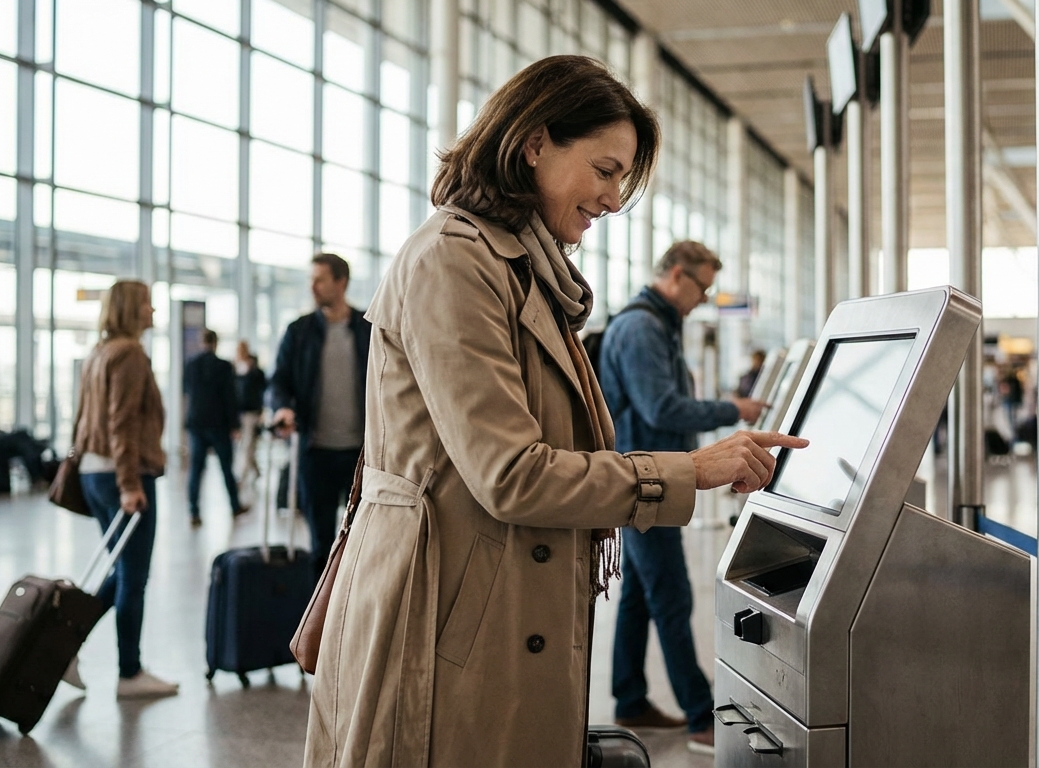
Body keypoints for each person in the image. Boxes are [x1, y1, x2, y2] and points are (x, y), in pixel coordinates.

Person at [302, 55, 806, 767]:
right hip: (444, 630)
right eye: (604, 171)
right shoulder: (454, 258)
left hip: (484, 613)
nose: (611, 199)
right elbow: (510, 472)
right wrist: (690, 470)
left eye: (621, 180)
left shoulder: (524, 270)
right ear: (534, 143)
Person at [598, 240, 766, 753]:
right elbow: (662, 408)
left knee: (641, 597)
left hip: (651, 479)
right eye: (702, 288)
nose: (702, 299)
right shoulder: (642, 328)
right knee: (671, 596)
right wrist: (731, 410)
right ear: (676, 276)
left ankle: (630, 699)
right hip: (647, 484)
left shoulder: (655, 326)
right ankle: (701, 717)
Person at [71, 280, 178, 698]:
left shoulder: (99, 352)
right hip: (122, 475)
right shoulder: (130, 353)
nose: (152, 311)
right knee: (134, 577)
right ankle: (129, 673)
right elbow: (123, 422)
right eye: (147, 304)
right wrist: (130, 484)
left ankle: (67, 644)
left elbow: (86, 419)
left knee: (122, 572)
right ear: (132, 310)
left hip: (92, 471)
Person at [268, 253, 372, 574]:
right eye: (311, 279)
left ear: (341, 282)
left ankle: (354, 612)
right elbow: (279, 380)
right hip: (315, 451)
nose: (312, 287)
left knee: (363, 540)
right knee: (320, 542)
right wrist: (282, 406)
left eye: (320, 279)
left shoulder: (367, 329)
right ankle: (319, 618)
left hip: (362, 454)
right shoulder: (299, 331)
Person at [183, 329, 243, 527]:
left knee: (196, 470)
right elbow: (229, 397)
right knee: (226, 467)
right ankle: (234, 506)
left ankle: (193, 511)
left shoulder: (191, 365)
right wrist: (234, 425)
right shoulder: (224, 366)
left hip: (197, 422)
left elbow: (187, 391)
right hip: (218, 424)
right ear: (216, 343)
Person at [233, 340, 267, 503]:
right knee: (248, 446)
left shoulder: (255, 371)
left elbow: (262, 392)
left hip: (252, 413)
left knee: (247, 445)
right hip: (239, 412)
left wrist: (262, 411)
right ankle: (256, 471)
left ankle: (242, 476)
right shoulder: (235, 369)